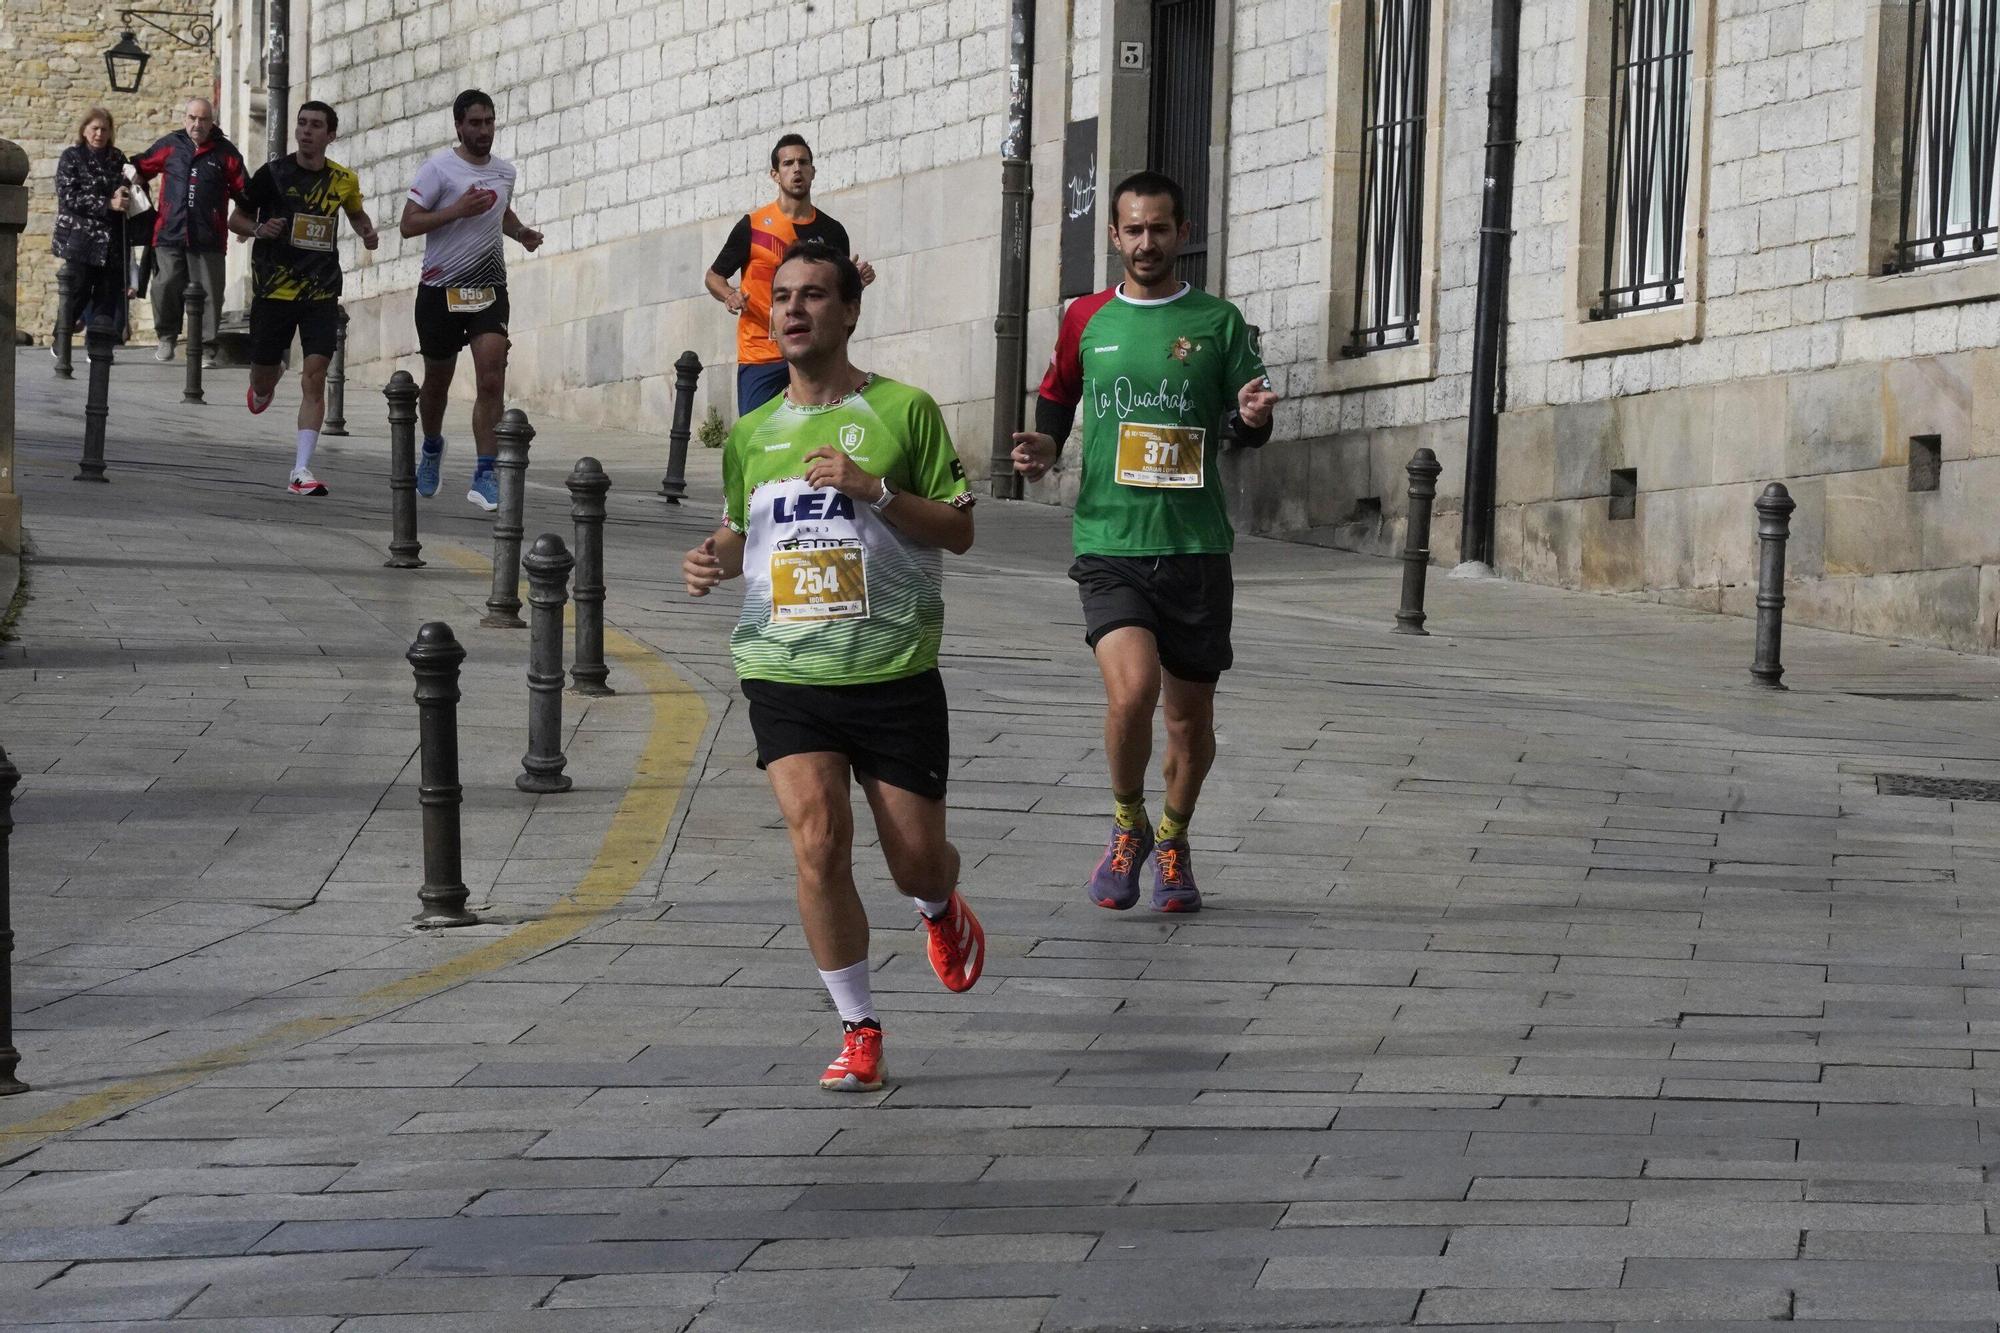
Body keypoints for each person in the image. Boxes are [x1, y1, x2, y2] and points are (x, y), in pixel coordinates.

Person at [682, 238, 983, 1093]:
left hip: (892, 667)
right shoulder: (751, 434)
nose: (794, 310)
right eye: (782, 297)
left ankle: (937, 905)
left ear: (849, 311)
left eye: (814, 295)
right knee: (818, 840)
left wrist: (876, 490)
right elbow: (748, 532)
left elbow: (960, 530)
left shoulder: (906, 411)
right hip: (786, 670)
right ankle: (859, 1027)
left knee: (916, 859)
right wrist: (712, 554)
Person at [1010, 170, 1279, 916]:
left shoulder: (1219, 323)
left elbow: (1247, 422)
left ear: (1182, 233)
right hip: (1110, 538)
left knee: (1190, 722)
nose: (1147, 242)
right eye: (1134, 229)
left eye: (1160, 228)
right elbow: (1059, 393)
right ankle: (1127, 825)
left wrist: (1252, 416)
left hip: (1195, 547)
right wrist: (1045, 444)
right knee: (1133, 692)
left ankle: (1175, 837)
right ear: (1114, 236)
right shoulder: (1086, 318)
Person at [399, 89, 542, 510]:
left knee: (492, 377)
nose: (484, 131)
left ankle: (485, 472)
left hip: (488, 288)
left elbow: (501, 214)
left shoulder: (505, 173)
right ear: (459, 126)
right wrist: (456, 210)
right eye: (475, 123)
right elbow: (408, 225)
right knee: (438, 384)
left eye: (490, 122)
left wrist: (521, 233)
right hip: (440, 290)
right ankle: (431, 446)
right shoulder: (438, 169)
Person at [231, 101, 379, 496]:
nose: (307, 131)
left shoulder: (343, 179)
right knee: (263, 376)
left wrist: (367, 232)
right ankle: (266, 383)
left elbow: (355, 213)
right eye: (302, 124)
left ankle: (301, 469)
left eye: (316, 126)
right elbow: (235, 220)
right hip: (274, 289)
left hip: (321, 290)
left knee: (315, 376)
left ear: (331, 135)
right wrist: (261, 228)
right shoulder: (272, 175)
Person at [706, 134, 876, 418]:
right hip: (761, 351)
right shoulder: (754, 226)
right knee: (758, 437)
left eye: (803, 162)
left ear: (812, 171)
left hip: (814, 351)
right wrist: (730, 294)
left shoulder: (833, 231)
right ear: (775, 174)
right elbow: (713, 276)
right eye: (788, 164)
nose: (796, 169)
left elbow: (839, 299)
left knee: (816, 432)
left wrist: (855, 283)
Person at [129, 98, 248, 366]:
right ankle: (167, 337)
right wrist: (130, 185)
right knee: (165, 285)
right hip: (169, 231)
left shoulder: (226, 153)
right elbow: (140, 166)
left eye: (203, 119)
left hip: (209, 236)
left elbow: (245, 190)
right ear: (185, 119)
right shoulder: (171, 145)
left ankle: (206, 348)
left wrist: (246, 221)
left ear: (211, 122)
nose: (197, 124)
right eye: (192, 118)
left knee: (209, 293)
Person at [50, 108, 132, 346]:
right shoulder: (71, 157)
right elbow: (69, 196)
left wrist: (124, 192)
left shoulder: (117, 159)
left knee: (107, 295)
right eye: (94, 128)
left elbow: (129, 186)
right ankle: (61, 339)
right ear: (84, 130)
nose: (99, 133)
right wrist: (108, 203)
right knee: (78, 291)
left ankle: (97, 346)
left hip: (112, 242)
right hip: (80, 240)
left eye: (104, 129)